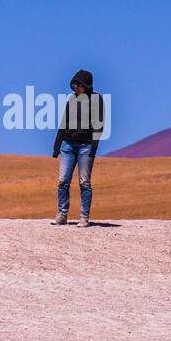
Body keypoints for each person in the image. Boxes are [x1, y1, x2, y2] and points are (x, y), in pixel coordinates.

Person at [53, 69, 106, 228]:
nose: (76, 87)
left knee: (84, 183)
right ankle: (62, 214)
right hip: (67, 145)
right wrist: (57, 146)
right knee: (63, 181)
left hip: (86, 147)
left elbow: (99, 125)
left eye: (79, 84)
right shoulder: (72, 99)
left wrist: (94, 148)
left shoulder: (97, 99)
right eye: (74, 84)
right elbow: (63, 123)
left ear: (86, 85)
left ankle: (84, 217)